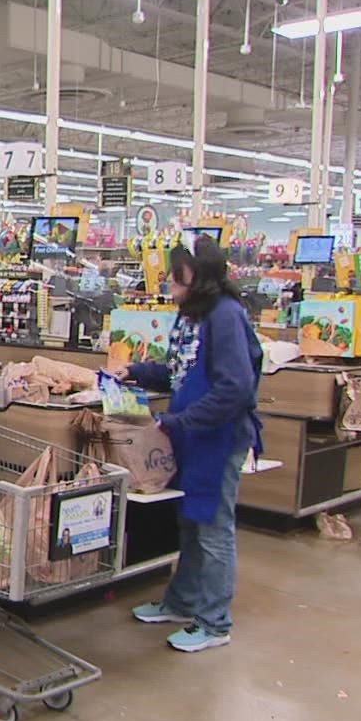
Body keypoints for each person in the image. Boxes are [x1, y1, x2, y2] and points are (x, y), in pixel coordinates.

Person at [112, 238, 263, 653]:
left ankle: (215, 622)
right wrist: (138, 371)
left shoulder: (226, 317)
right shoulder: (192, 315)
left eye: (175, 276)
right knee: (192, 523)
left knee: (214, 529)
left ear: (197, 277)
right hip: (193, 438)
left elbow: (234, 388)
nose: (168, 284)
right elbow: (178, 372)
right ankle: (182, 601)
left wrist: (180, 420)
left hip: (218, 439)